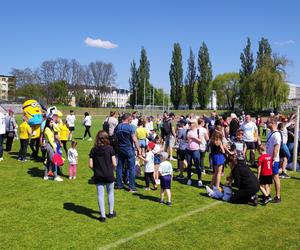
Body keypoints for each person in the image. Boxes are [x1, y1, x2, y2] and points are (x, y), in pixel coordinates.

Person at [89, 130, 117, 222]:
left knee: (100, 195)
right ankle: (111, 213)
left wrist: (96, 171)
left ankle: (102, 216)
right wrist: (111, 170)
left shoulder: (93, 150)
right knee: (110, 193)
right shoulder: (110, 148)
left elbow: (90, 165)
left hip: (98, 175)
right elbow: (114, 163)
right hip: (109, 174)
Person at [115, 113, 141, 192]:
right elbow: (134, 139)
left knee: (119, 167)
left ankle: (119, 185)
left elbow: (115, 137)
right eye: (130, 119)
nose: (131, 120)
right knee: (131, 168)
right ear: (128, 118)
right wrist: (139, 149)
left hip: (120, 148)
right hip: (129, 149)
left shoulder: (118, 126)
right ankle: (131, 187)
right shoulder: (131, 127)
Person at [266, 117, 282, 203]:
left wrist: (273, 159)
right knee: (268, 176)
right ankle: (267, 193)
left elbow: (276, 147)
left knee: (275, 177)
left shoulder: (277, 134)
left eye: (268, 122)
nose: (266, 124)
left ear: (272, 123)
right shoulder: (269, 133)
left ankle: (278, 196)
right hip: (268, 158)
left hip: (273, 160)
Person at [186, 119, 203, 187]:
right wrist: (188, 140)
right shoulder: (188, 131)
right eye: (189, 123)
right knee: (189, 165)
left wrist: (193, 138)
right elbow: (186, 140)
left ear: (195, 124)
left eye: (191, 123)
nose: (189, 124)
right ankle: (189, 179)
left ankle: (199, 180)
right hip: (188, 150)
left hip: (196, 150)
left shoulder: (198, 131)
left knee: (197, 165)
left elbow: (200, 141)